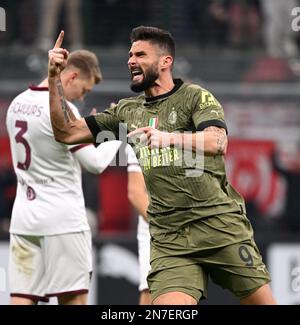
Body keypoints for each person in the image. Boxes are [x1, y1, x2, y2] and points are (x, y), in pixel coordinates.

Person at [48, 27, 277, 305]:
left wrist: (168, 138)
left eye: (140, 54)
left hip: (219, 226)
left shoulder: (195, 97)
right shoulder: (127, 112)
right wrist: (53, 79)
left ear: (165, 62)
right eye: (130, 54)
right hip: (171, 240)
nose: (131, 60)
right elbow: (66, 132)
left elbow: (218, 141)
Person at [5, 49, 122, 305]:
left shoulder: (16, 104)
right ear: (72, 77)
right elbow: (96, 163)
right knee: (74, 300)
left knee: (22, 299)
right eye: (85, 89)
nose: (83, 96)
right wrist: (117, 130)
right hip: (63, 222)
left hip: (25, 219)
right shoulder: (64, 110)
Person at [127, 146, 151, 305]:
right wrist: (167, 227)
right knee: (151, 290)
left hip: (192, 226)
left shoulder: (194, 132)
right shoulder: (139, 133)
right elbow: (136, 192)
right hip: (157, 232)